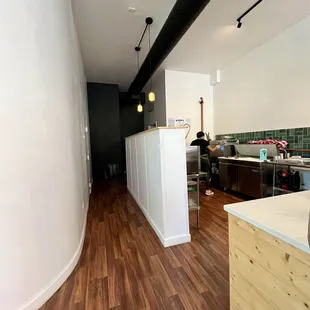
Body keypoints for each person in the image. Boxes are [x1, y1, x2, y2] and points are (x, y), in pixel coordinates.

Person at [191, 131, 220, 196]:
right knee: (207, 173)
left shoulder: (193, 142)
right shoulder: (204, 141)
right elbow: (212, 150)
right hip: (204, 158)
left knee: (197, 173)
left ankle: (195, 188)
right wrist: (217, 147)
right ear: (203, 136)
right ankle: (207, 190)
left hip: (195, 158)